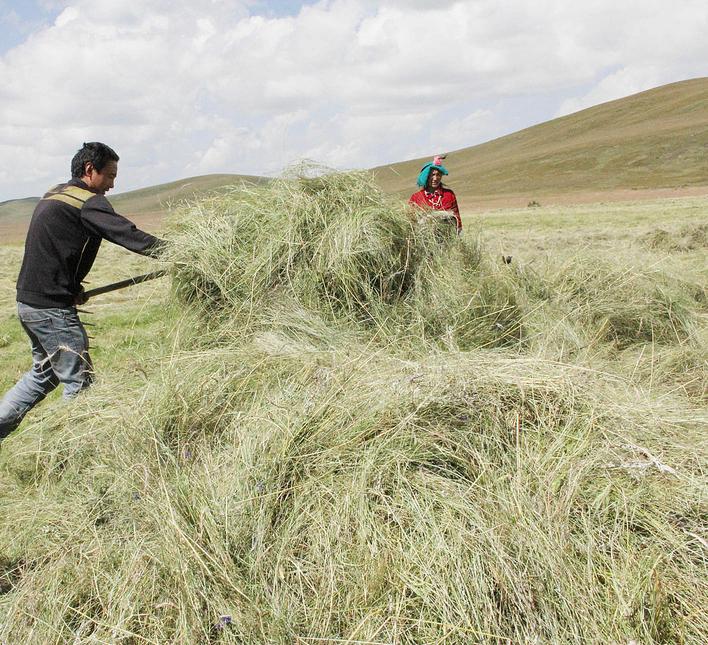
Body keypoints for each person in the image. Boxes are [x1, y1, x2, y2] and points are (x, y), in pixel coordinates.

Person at [0, 142, 166, 444]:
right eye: (110, 176)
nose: (113, 185)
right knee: (79, 383)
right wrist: (174, 252)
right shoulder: (88, 202)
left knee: (45, 374)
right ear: (90, 170)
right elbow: (126, 234)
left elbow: (54, 248)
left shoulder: (55, 193)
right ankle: (69, 451)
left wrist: (71, 288)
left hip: (29, 302)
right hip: (51, 309)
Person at [408, 154, 462, 233]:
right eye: (432, 175)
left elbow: (457, 219)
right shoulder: (416, 198)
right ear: (426, 176)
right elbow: (411, 222)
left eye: (438, 175)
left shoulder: (449, 195)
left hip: (447, 238)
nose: (435, 178)